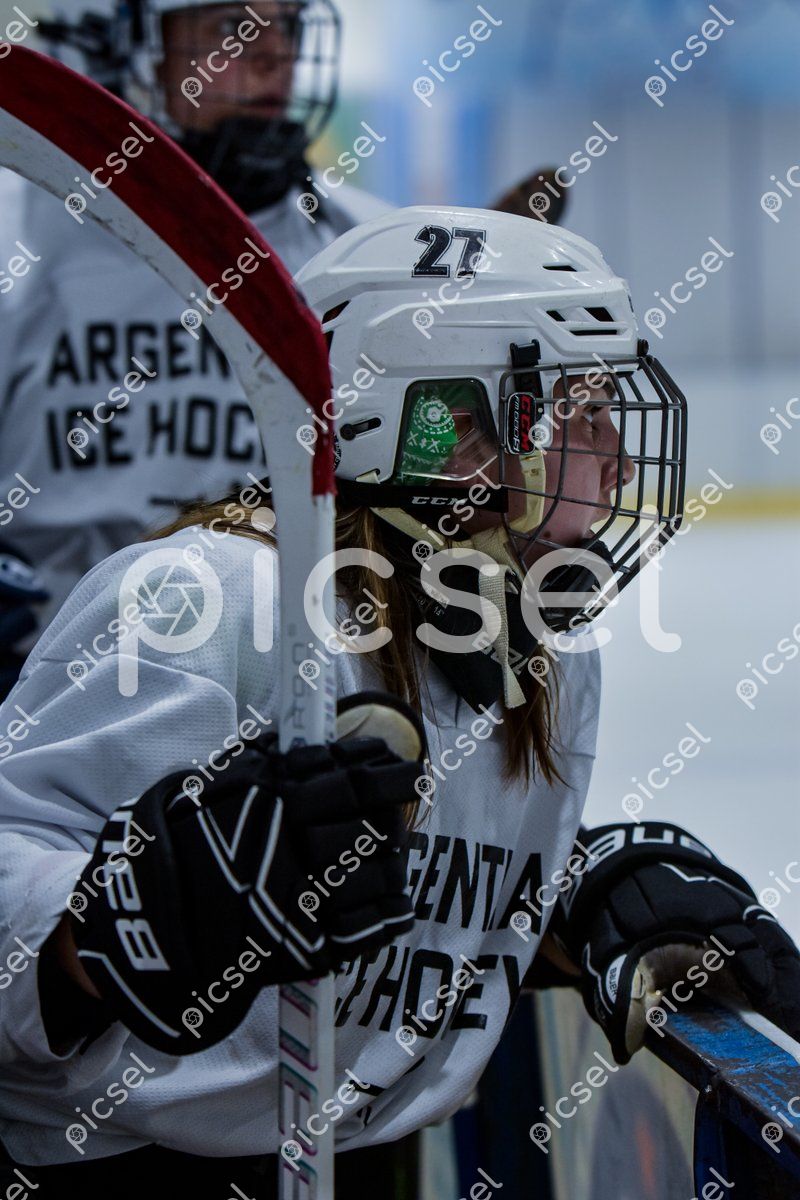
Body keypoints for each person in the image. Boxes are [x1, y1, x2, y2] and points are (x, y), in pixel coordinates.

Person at [1, 207, 797, 1200]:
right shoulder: (215, 601)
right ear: (449, 429)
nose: (621, 459)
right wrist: (116, 927)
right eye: (584, 411)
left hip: (360, 1165)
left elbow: (391, 908)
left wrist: (570, 906)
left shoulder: (540, 657)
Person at [0, 0, 390, 697]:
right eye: (231, 27)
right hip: (41, 690)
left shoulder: (364, 248)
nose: (274, 53)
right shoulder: (16, 236)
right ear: (117, 44)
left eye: (288, 25)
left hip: (284, 689)